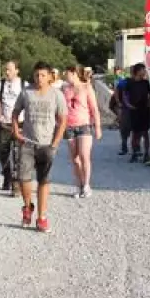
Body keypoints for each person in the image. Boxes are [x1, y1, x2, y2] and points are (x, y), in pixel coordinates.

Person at [12, 61, 68, 233]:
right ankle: (27, 206)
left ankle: (42, 217)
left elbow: (63, 120)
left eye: (43, 75)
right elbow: (15, 112)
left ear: (50, 76)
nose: (39, 78)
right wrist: (16, 130)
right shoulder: (26, 92)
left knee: (44, 180)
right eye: (37, 75)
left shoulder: (57, 95)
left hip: (46, 144)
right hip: (27, 143)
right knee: (23, 178)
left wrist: (55, 143)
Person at [62, 65, 102, 198]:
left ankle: (86, 185)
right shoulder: (65, 89)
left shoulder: (86, 87)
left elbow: (94, 108)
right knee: (75, 159)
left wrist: (97, 127)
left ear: (74, 73)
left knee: (84, 156)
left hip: (84, 125)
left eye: (67, 73)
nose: (65, 75)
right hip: (69, 126)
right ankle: (79, 184)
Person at [0, 61, 26, 195]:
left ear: (17, 70)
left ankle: (16, 184)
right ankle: (7, 174)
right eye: (6, 70)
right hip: (4, 124)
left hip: (20, 124)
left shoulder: (24, 85)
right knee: (3, 153)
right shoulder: (0, 84)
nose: (7, 72)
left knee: (18, 154)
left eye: (10, 70)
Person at [125, 63, 150, 163]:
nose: (145, 72)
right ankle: (134, 153)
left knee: (145, 133)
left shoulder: (146, 83)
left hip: (145, 111)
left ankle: (146, 154)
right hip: (134, 111)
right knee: (135, 133)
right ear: (137, 71)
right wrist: (128, 105)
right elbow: (125, 95)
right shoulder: (130, 83)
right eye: (143, 70)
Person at [115, 70, 132, 155]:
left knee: (137, 130)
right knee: (124, 128)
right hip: (125, 108)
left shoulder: (141, 81)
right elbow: (116, 90)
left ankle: (136, 149)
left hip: (135, 109)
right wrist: (118, 102)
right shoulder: (125, 81)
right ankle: (124, 147)